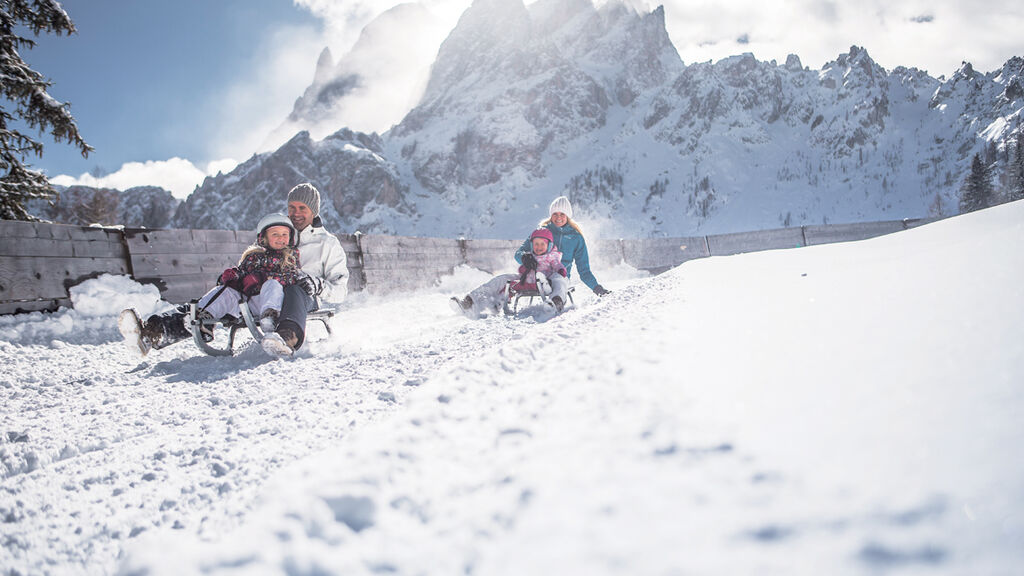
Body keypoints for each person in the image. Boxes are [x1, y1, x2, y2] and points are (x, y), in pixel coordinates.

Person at [121, 214, 305, 355]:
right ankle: (194, 325)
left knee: (271, 285)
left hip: (272, 303)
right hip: (247, 302)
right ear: (263, 237)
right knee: (223, 292)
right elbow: (241, 274)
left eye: (284, 234)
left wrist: (264, 277)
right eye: (275, 234)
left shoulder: (290, 256)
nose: (281, 238)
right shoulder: (253, 256)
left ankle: (269, 318)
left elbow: (292, 278)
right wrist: (232, 277)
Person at [450, 196, 609, 317]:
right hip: (532, 275)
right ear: (551, 215)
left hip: (556, 277)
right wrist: (525, 258)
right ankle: (470, 303)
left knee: (560, 280)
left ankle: (556, 303)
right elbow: (519, 253)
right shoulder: (542, 231)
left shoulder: (576, 238)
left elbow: (584, 270)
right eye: (555, 214)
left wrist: (597, 288)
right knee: (501, 279)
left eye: (562, 214)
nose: (558, 217)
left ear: (568, 216)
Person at [270, 182, 349, 353]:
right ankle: (205, 322)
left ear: (313, 211)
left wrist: (318, 285)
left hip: (305, 297)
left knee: (294, 289)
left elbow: (340, 291)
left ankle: (288, 335)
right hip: (271, 293)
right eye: (292, 207)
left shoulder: (327, 244)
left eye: (302, 208)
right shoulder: (277, 235)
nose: (296, 213)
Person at [511, 228, 569, 312]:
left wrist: (560, 269)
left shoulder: (552, 256)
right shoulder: (530, 257)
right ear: (532, 245)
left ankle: (556, 301)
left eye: (542, 244)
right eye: (536, 244)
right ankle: (492, 297)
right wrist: (525, 265)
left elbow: (557, 264)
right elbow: (522, 269)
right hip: (531, 282)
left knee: (559, 280)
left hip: (549, 280)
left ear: (549, 246)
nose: (539, 247)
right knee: (506, 279)